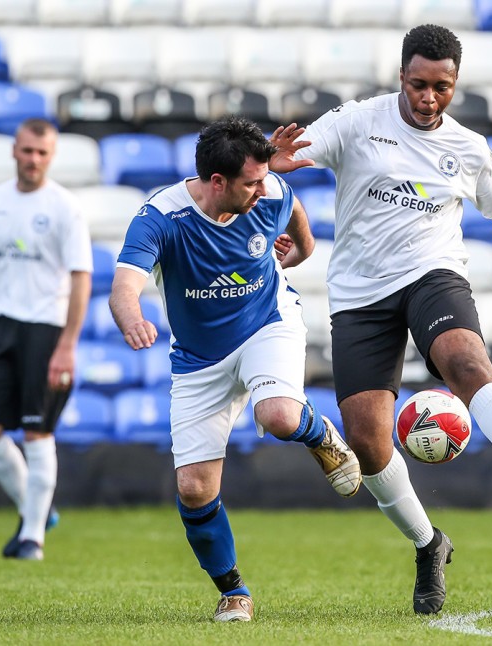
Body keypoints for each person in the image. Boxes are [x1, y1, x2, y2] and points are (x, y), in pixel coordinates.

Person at [268, 24, 492, 615]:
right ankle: (430, 545)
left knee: (463, 358)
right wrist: (272, 157)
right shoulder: (357, 121)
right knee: (368, 445)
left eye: (442, 88)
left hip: (433, 275)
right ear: (401, 76)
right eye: (420, 85)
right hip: (359, 296)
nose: (429, 99)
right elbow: (285, 163)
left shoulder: (469, 147)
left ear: (455, 83)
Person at [108, 116, 362, 623]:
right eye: (250, 182)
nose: (261, 189)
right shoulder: (161, 216)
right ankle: (233, 590)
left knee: (278, 415)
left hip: (267, 323)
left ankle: (319, 435)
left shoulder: (270, 193)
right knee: (195, 489)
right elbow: (124, 287)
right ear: (216, 182)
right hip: (199, 358)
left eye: (264, 178)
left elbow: (305, 240)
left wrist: (289, 258)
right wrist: (132, 317)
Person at [0, 118, 93, 562]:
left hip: (46, 329)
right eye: (27, 150)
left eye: (42, 153)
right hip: (0, 326)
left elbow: (81, 278)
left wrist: (68, 344)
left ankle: (32, 537)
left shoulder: (65, 206)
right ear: (14, 150)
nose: (33, 160)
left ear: (51, 157)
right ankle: (37, 508)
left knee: (37, 431)